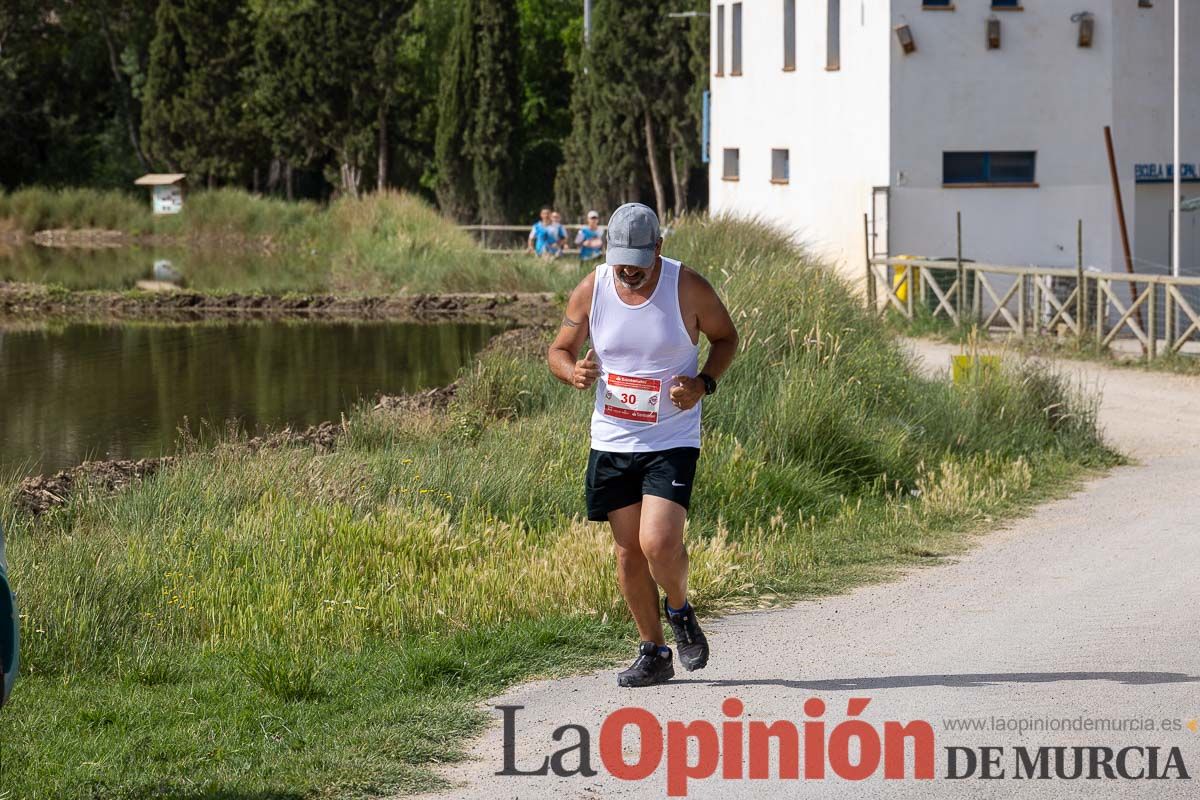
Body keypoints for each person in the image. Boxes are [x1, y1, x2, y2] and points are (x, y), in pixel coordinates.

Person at [547, 203, 739, 687]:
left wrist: (702, 383)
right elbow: (558, 350)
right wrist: (574, 372)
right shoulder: (593, 288)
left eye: (638, 257)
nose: (628, 269)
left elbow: (726, 339)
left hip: (671, 436)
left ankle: (680, 609)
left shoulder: (687, 286)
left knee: (658, 542)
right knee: (628, 551)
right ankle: (653, 652)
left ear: (659, 247)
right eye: (620, 259)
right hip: (612, 437)